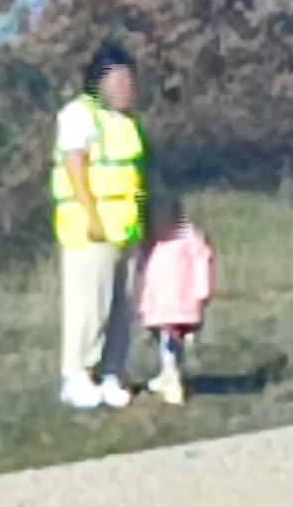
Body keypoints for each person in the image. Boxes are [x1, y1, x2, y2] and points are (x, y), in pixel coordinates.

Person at [50, 42, 148, 409]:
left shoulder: (125, 123)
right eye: (121, 79)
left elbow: (133, 176)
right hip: (90, 228)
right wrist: (91, 216)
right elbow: (76, 166)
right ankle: (76, 375)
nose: (128, 87)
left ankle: (112, 372)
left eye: (130, 80)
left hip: (126, 228)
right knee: (88, 306)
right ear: (100, 81)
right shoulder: (78, 115)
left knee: (123, 306)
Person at [134, 198, 214, 405]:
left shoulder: (188, 236)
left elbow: (201, 261)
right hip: (161, 303)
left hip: (179, 301)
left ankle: (173, 379)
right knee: (167, 339)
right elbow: (144, 271)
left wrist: (202, 292)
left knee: (171, 340)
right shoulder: (150, 239)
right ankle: (169, 373)